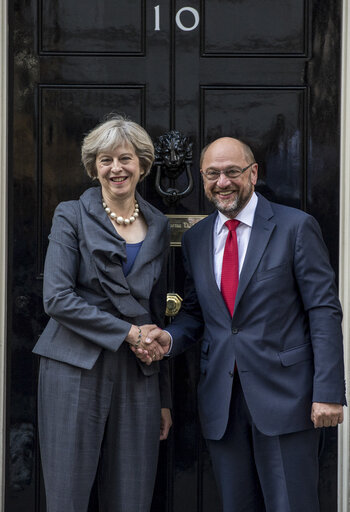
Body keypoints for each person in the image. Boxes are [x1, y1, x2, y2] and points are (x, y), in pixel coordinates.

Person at [136, 137, 346, 512]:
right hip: (222, 402)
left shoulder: (296, 227)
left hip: (288, 400)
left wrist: (328, 390)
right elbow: (198, 313)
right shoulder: (197, 238)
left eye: (232, 172)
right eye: (213, 174)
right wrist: (168, 338)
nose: (223, 182)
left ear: (252, 174)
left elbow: (324, 310)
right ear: (202, 178)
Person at [33, 114, 172, 512]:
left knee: (133, 495)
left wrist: (164, 397)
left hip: (138, 372)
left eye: (125, 159)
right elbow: (57, 299)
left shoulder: (159, 224)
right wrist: (129, 334)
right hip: (74, 365)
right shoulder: (70, 215)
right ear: (94, 167)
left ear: (142, 165)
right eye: (105, 160)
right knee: (68, 495)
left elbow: (154, 311)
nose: (116, 169)